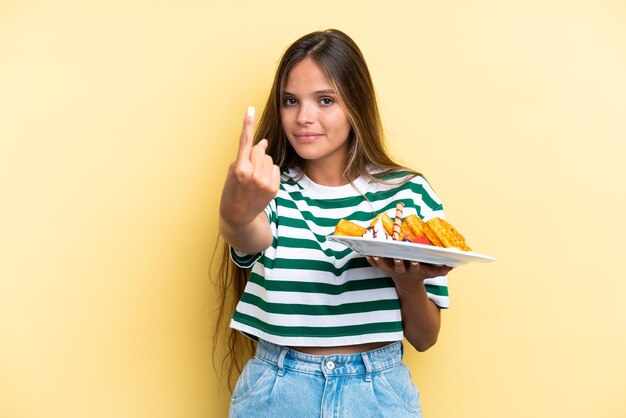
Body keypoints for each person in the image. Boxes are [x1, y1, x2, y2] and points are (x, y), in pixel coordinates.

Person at [215, 29, 453, 418]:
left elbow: (425, 339)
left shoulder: (407, 195)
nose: (303, 118)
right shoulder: (271, 188)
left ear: (355, 105)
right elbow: (248, 233)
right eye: (290, 101)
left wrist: (409, 284)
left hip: (377, 393)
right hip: (277, 393)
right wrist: (235, 210)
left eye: (325, 100)